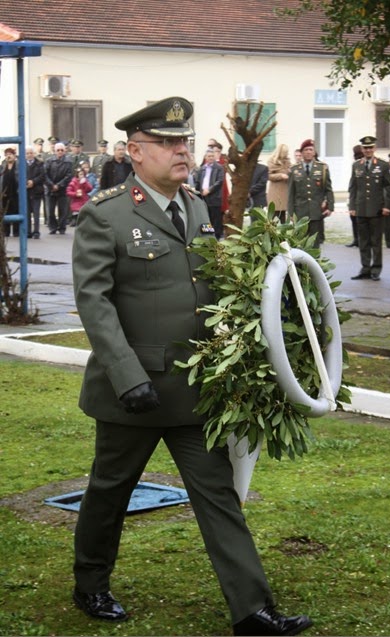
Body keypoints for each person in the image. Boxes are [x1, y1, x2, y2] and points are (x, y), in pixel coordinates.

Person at [71, 96, 312, 637]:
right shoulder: (105, 213)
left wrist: (266, 314)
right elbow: (95, 302)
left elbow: (211, 289)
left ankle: (252, 610)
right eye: (168, 143)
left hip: (193, 387)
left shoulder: (197, 206)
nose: (182, 151)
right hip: (131, 390)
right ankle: (90, 584)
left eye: (184, 141)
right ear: (135, 152)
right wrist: (128, 377)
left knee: (217, 495)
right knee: (110, 491)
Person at [349, 136, 390, 281]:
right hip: (361, 209)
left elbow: (389, 187)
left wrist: (387, 206)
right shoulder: (356, 165)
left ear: (374, 148)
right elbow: (353, 188)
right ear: (362, 149)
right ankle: (365, 268)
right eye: (365, 148)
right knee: (363, 241)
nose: (368, 150)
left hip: (376, 209)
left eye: (370, 147)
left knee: (376, 241)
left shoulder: (382, 165)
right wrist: (352, 206)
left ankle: (376, 269)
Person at [287, 138, 334, 248]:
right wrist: (290, 213)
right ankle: (302, 265)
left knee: (315, 242)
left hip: (316, 212)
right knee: (300, 243)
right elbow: (291, 194)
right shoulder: (294, 170)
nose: (308, 152)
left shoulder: (322, 168)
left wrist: (330, 206)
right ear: (301, 153)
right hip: (300, 212)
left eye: (311, 149)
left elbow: (328, 189)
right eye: (306, 150)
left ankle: (315, 264)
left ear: (314, 152)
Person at [44, 142, 73, 234]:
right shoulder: (49, 161)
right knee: (50, 211)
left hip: (62, 189)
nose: (60, 152)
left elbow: (69, 176)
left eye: (62, 150)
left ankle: (62, 227)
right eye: (58, 150)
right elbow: (44, 174)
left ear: (64, 151)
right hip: (50, 189)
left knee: (63, 210)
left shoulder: (69, 162)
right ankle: (52, 227)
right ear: (55, 151)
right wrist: (51, 185)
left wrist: (59, 185)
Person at [195, 148, 224, 239]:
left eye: (212, 156)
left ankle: (216, 238)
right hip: (204, 197)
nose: (211, 158)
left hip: (214, 197)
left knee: (216, 219)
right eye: (209, 156)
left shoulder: (219, 168)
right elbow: (198, 182)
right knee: (206, 218)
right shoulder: (201, 169)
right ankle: (208, 237)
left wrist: (209, 190)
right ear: (205, 157)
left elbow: (220, 181)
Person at [345, 144, 364, 248]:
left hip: (359, 196)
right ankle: (357, 239)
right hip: (355, 195)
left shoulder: (360, 164)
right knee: (354, 218)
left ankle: (359, 240)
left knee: (359, 220)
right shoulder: (356, 164)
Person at [267, 143, 291, 222]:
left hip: (285, 191)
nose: (286, 155)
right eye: (284, 153)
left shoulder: (288, 161)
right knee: (274, 215)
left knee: (283, 215)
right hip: (275, 192)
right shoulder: (272, 161)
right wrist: (280, 175)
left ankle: (283, 233)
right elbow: (269, 176)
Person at [26, 146, 45, 238]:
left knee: (36, 213)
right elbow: (18, 174)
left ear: (34, 154)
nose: (29, 155)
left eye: (31, 153)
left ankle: (36, 232)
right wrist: (26, 182)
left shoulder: (40, 163)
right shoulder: (22, 164)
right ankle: (28, 232)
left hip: (36, 191)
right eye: (27, 153)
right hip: (26, 191)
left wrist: (33, 181)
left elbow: (42, 176)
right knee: (27, 213)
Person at [0, 147, 20, 237]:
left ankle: (16, 231)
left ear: (14, 155)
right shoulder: (3, 166)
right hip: (5, 193)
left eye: (10, 154)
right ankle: (6, 231)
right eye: (7, 154)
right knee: (5, 212)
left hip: (15, 193)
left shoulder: (18, 165)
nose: (9, 156)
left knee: (16, 211)